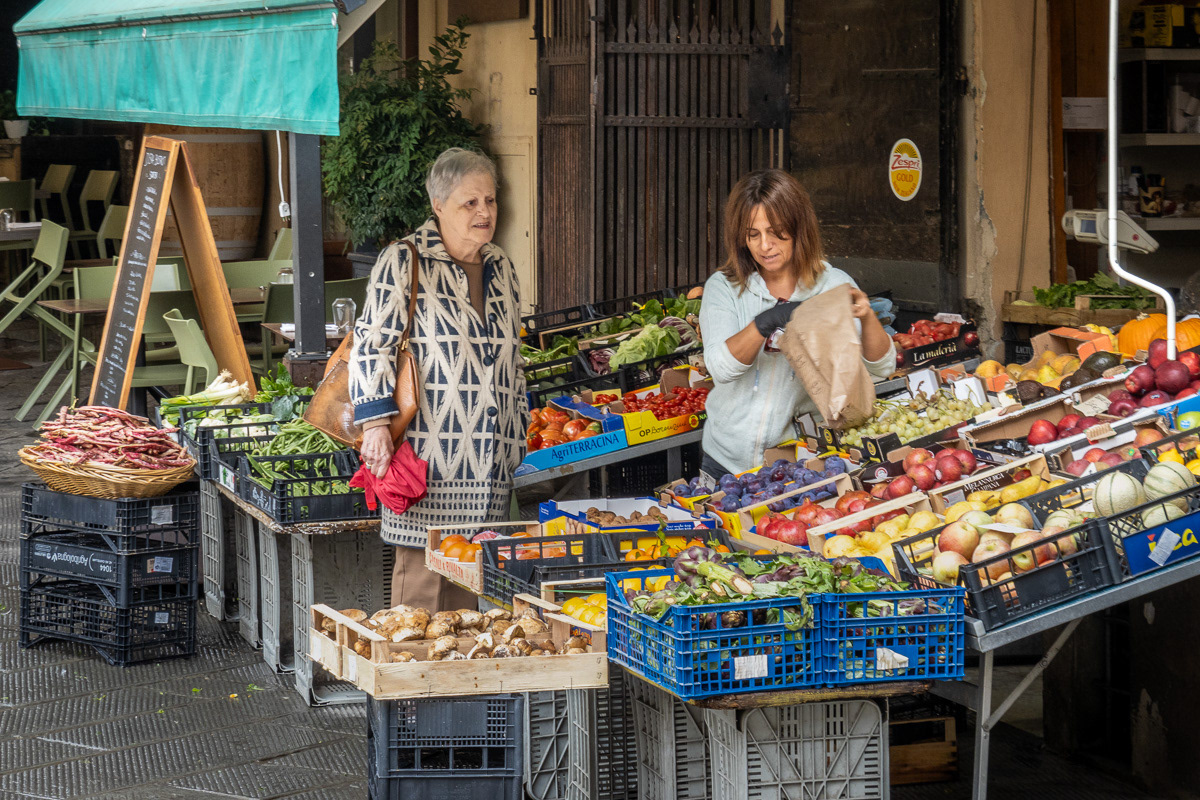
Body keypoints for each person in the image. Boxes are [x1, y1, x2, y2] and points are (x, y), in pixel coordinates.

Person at [350, 147, 528, 609]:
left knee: (469, 590)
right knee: (422, 590)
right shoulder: (404, 261)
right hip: (431, 456)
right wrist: (374, 427)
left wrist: (520, 433)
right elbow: (372, 345)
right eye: (470, 202)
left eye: (489, 200)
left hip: (491, 460)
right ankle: (411, 674)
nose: (484, 212)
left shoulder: (501, 268)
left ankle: (459, 678)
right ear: (439, 206)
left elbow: (514, 357)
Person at [698, 169, 894, 479]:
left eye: (776, 232)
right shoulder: (725, 288)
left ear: (799, 228)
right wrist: (766, 322)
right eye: (753, 234)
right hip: (726, 463)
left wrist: (866, 316)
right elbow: (720, 368)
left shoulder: (831, 285)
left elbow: (881, 368)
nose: (765, 245)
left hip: (801, 463)